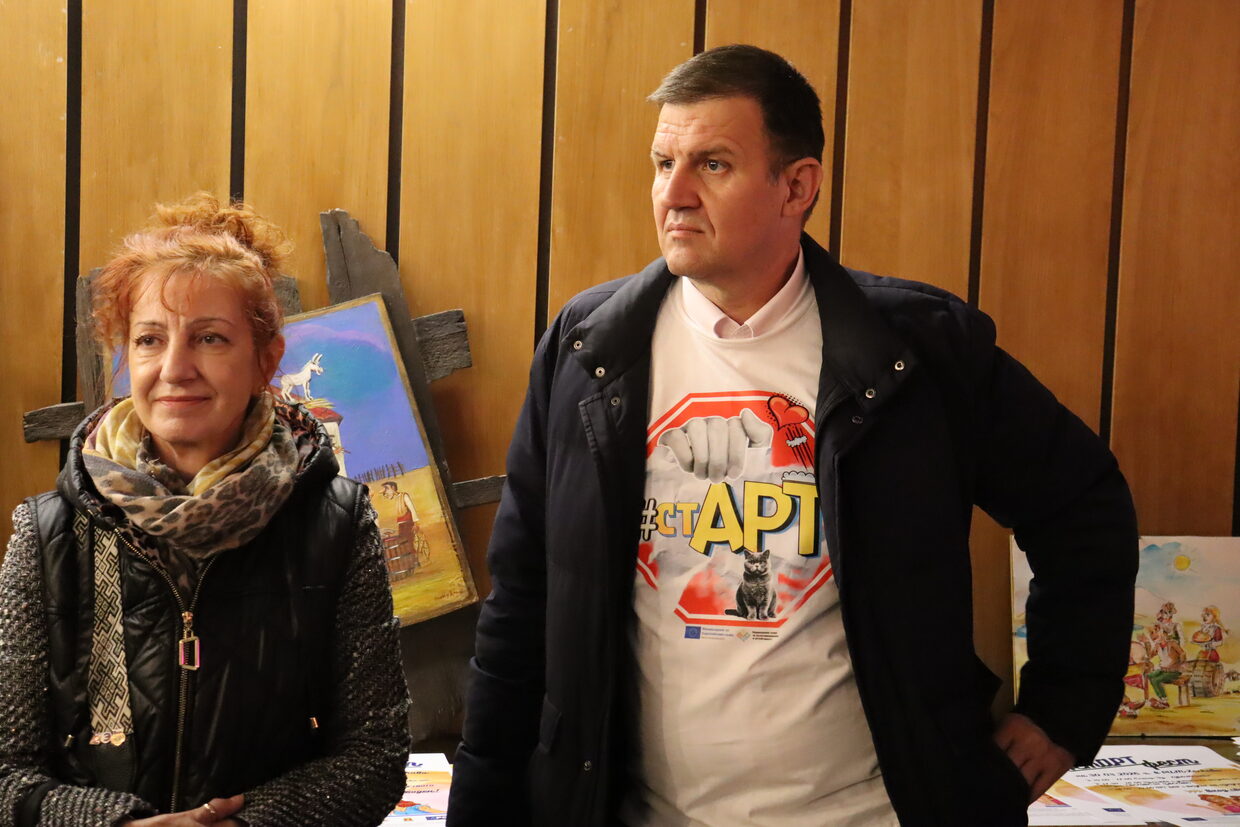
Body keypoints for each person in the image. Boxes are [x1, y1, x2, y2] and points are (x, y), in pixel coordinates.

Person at [448, 45, 1138, 826]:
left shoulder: (923, 351)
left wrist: (1062, 707)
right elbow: (521, 603)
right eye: (663, 163)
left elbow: (1083, 505)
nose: (674, 193)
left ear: (797, 187)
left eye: (712, 165)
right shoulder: (589, 349)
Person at [0, 194, 411, 826]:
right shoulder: (48, 531)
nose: (174, 369)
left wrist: (244, 823)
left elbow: (374, 755)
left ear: (266, 361)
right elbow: (8, 771)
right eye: (149, 340)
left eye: (209, 338)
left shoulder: (335, 522)